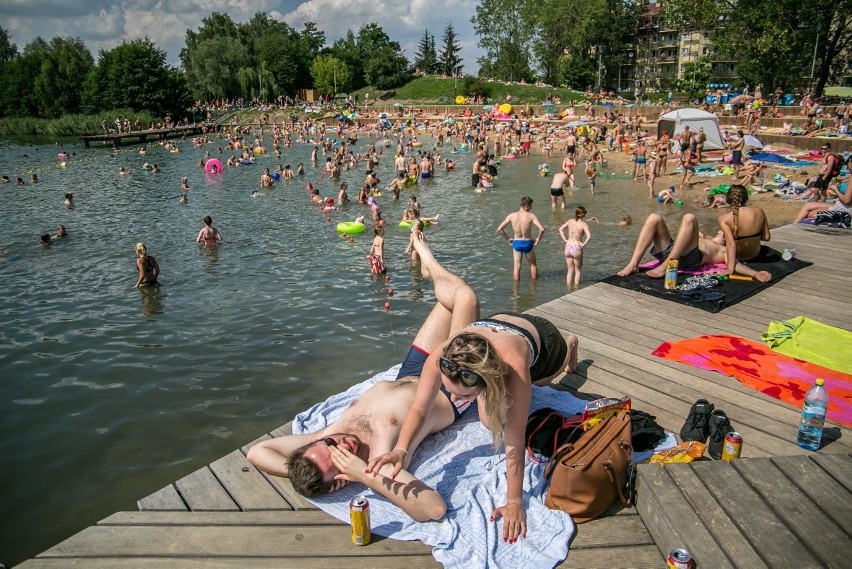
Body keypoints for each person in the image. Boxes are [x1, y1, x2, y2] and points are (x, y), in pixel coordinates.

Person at [247, 236, 481, 521]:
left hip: (409, 370)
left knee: (448, 301)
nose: (342, 445)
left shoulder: (318, 438)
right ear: (340, 479)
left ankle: (428, 267)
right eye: (339, 458)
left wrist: (297, 473)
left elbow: (258, 452)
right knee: (464, 297)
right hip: (446, 388)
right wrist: (361, 475)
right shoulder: (376, 464)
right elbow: (433, 508)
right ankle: (426, 260)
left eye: (331, 445)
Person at [367, 232, 579, 542]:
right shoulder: (444, 353)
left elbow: (514, 441)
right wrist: (400, 450)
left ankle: (571, 348)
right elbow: (419, 407)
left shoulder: (513, 368)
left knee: (521, 399)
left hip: (546, 345)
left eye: (461, 394)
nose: (451, 398)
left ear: (490, 381)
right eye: (451, 389)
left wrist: (515, 502)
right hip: (498, 326)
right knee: (485, 415)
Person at [616, 211, 771, 282]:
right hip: (672, 251)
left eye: (725, 234)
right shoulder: (702, 236)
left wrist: (755, 273)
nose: (722, 232)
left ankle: (666, 265)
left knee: (689, 217)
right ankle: (633, 264)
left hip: (689, 259)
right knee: (654, 217)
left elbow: (735, 265)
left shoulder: (722, 249)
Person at [717, 184, 771, 276]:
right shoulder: (759, 211)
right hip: (754, 253)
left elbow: (731, 244)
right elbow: (766, 237)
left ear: (728, 199)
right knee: (721, 235)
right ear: (746, 198)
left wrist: (730, 268)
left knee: (717, 237)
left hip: (737, 256)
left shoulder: (724, 218)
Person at [496, 196, 546, 281]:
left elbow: (499, 229)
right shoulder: (531, 216)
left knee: (517, 267)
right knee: (533, 265)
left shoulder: (511, 216)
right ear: (526, 205)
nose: (531, 208)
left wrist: (508, 238)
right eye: (530, 206)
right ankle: (534, 288)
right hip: (528, 243)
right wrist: (538, 239)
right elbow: (542, 229)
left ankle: (516, 291)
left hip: (517, 243)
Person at [559, 206, 592, 288]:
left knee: (570, 271)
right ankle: (576, 288)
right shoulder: (584, 225)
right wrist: (583, 245)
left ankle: (568, 288)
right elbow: (589, 237)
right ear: (582, 214)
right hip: (577, 247)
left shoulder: (570, 221)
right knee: (578, 270)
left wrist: (565, 240)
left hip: (568, 247)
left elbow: (560, 229)